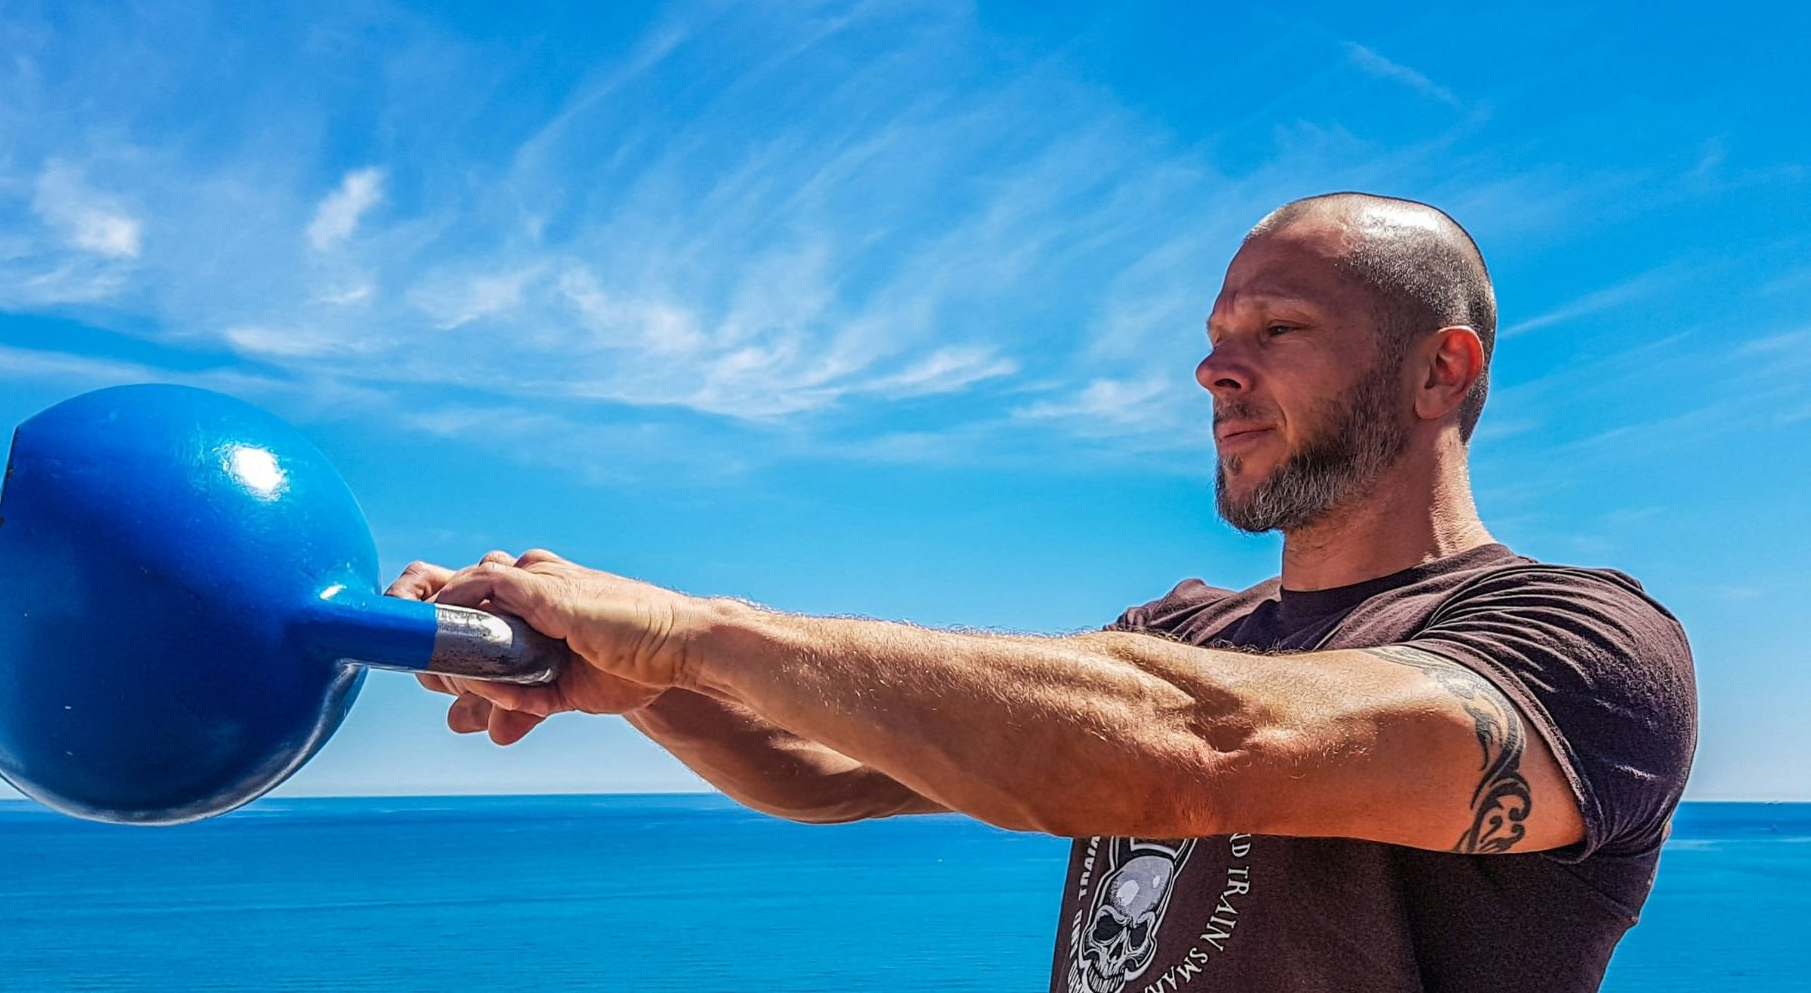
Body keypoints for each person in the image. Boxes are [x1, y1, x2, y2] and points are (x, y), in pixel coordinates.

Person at [388, 192, 1697, 993]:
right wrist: (646, 681)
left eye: (1276, 332)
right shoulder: (1179, 632)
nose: (1214, 373)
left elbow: (1198, 745)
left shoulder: (1582, 648)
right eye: (1212, 340)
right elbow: (826, 766)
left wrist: (689, 628)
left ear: (1439, 369)